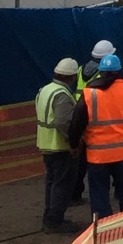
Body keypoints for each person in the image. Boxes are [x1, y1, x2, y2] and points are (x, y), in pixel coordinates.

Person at [70, 54, 123, 218]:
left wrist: (74, 144)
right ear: (118, 71)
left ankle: (103, 228)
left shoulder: (89, 94)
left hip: (97, 156)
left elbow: (76, 122)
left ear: (101, 71)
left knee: (99, 195)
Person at [35, 58, 81, 232]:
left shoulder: (45, 90)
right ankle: (55, 220)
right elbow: (63, 121)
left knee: (52, 182)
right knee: (62, 183)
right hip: (60, 146)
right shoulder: (61, 94)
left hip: (46, 144)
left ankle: (50, 217)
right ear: (71, 76)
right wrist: (74, 142)